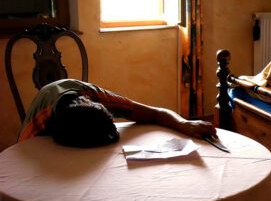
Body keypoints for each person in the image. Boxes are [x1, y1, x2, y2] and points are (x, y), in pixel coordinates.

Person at [18, 79, 217, 147]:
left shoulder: (96, 96)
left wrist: (185, 124)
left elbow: (155, 113)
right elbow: (22, 156)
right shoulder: (37, 124)